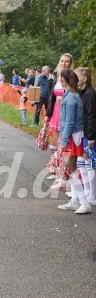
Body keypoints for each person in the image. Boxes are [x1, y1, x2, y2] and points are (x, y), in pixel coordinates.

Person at [57, 69, 91, 214]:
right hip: (73, 135)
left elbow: (70, 121)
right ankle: (76, 201)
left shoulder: (70, 97)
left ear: (63, 80)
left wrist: (64, 140)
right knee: (71, 169)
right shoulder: (72, 95)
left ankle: (83, 202)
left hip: (72, 136)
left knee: (70, 170)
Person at [44, 53, 74, 188]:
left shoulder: (72, 77)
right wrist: (48, 114)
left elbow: (75, 94)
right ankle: (57, 171)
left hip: (65, 113)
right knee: (55, 144)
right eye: (62, 61)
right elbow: (51, 97)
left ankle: (65, 176)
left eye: (67, 61)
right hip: (55, 111)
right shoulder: (56, 77)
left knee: (64, 145)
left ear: (70, 63)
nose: (64, 63)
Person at [74, 67, 96, 205]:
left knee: (91, 164)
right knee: (83, 162)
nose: (75, 80)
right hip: (85, 133)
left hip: (90, 134)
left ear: (84, 79)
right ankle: (87, 191)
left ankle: (93, 194)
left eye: (77, 77)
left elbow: (92, 116)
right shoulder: (82, 93)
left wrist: (92, 136)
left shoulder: (90, 94)